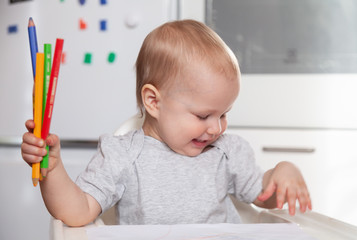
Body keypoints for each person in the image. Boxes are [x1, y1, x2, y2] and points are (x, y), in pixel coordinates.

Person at [21, 19, 311, 227]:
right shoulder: (122, 156)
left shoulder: (227, 152)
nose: (216, 128)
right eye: (202, 116)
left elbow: (263, 198)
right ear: (154, 102)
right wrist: (53, 169)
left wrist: (283, 173)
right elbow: (77, 213)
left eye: (223, 114)